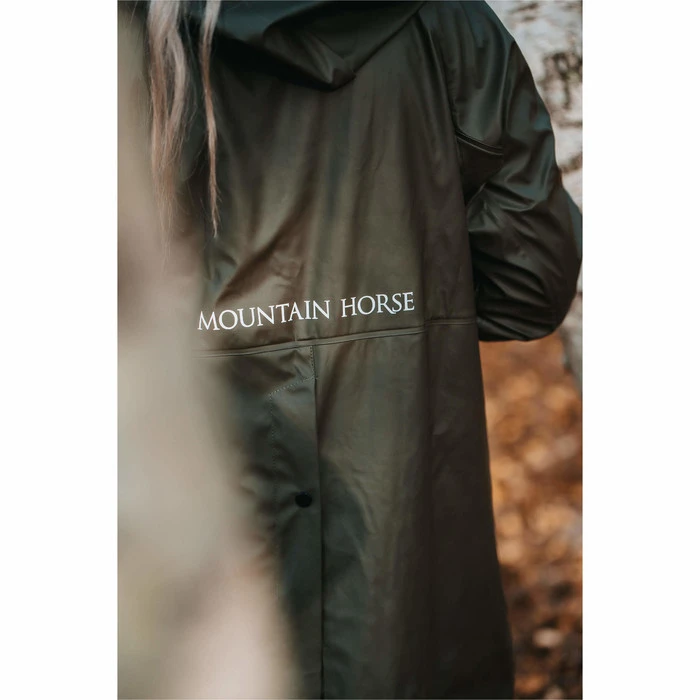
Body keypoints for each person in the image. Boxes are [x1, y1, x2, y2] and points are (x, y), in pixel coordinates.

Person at [121, 1, 582, 697]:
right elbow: (529, 283)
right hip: (409, 591)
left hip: (196, 577)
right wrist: (409, 313)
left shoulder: (123, 32)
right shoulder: (445, 21)